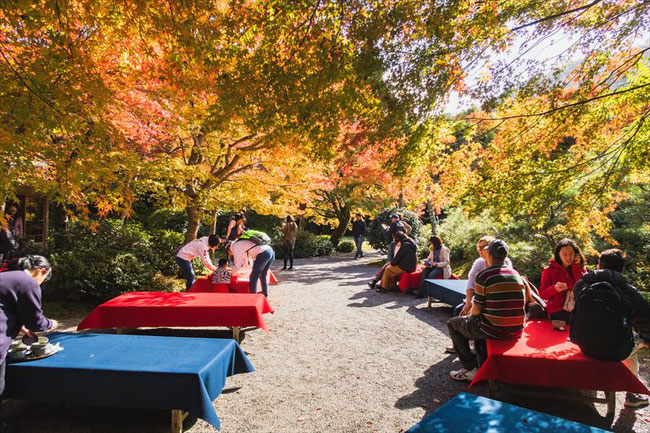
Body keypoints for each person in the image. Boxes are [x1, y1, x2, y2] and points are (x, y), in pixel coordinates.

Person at [571, 249, 650, 408]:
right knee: (633, 345)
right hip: (614, 350)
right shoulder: (628, 291)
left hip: (583, 343)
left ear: (599, 265)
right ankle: (632, 394)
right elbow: (646, 320)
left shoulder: (581, 284)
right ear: (621, 270)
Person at [447, 239, 526, 381]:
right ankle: (482, 364)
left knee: (454, 324)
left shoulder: (484, 275)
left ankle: (470, 368)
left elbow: (476, 308)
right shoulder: (515, 274)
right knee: (479, 323)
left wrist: (469, 317)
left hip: (495, 329)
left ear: (489, 254)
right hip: (516, 328)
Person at [0, 255, 58, 429]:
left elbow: (6, 308)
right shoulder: (29, 282)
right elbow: (36, 322)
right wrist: (51, 324)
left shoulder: (6, 277)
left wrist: (20, 327)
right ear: (42, 270)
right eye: (44, 280)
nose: (41, 284)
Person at [452, 236, 513, 315]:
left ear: (490, 249)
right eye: (478, 247)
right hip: (480, 297)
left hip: (497, 297)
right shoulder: (479, 262)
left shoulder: (504, 262)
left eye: (483, 247)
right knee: (458, 310)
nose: (480, 250)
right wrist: (468, 304)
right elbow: (471, 284)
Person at [540, 238, 587, 330]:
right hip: (557, 309)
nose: (568, 257)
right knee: (581, 321)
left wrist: (576, 267)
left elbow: (582, 287)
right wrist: (554, 289)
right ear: (558, 254)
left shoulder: (579, 268)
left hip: (577, 307)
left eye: (571, 254)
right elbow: (542, 295)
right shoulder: (548, 270)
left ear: (576, 254)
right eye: (564, 254)